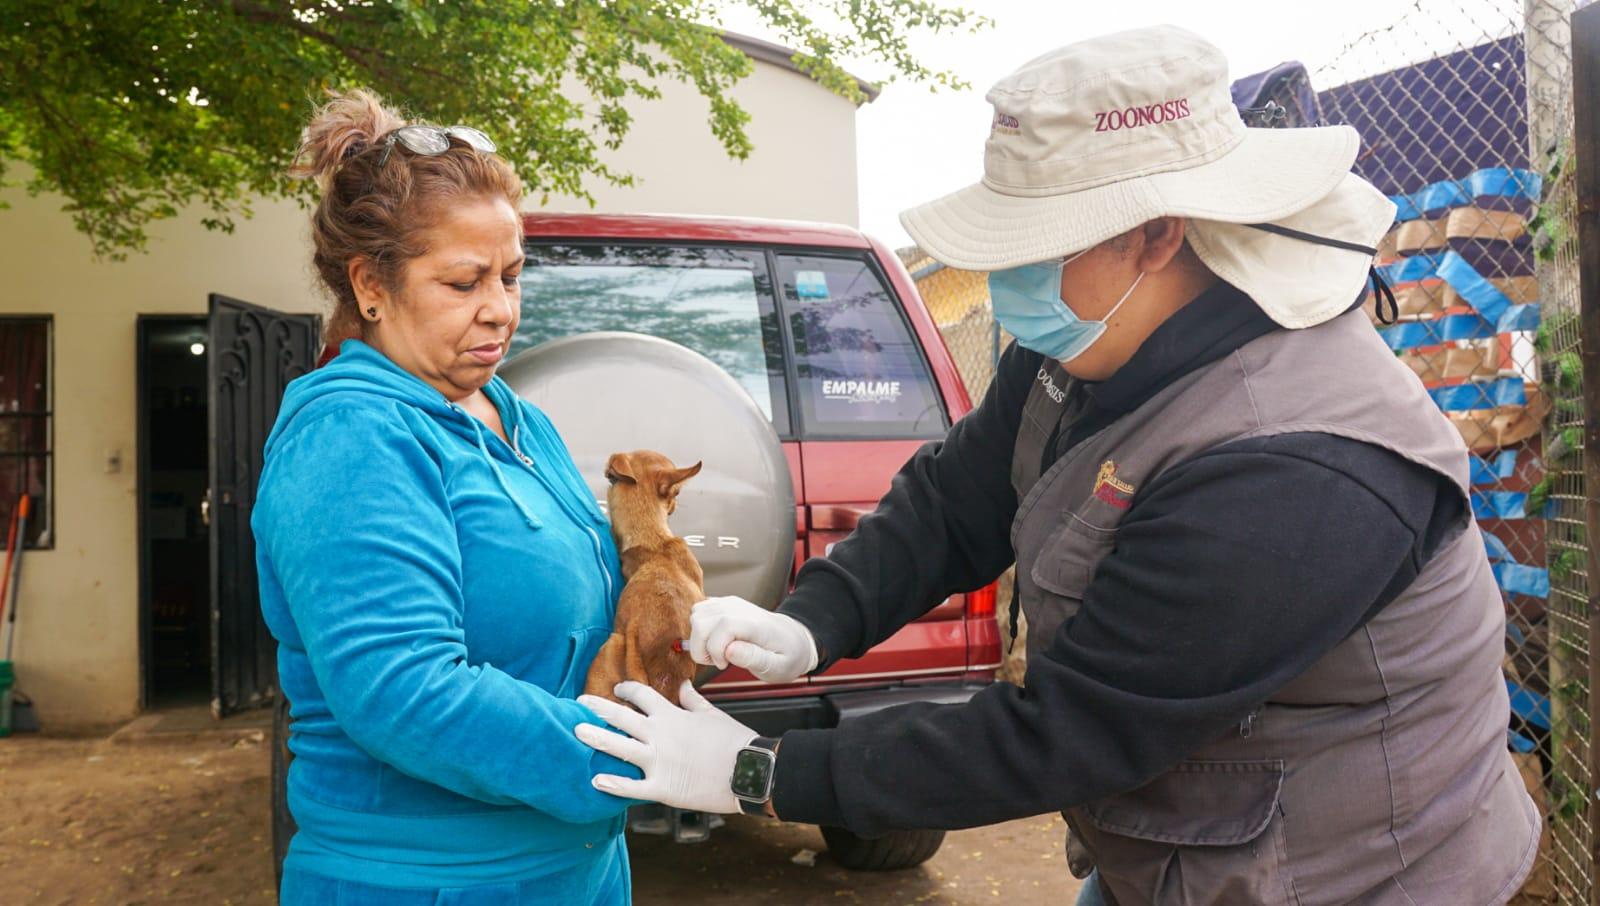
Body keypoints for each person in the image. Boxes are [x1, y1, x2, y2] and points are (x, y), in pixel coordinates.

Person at [574, 25, 1540, 905]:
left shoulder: (1297, 466)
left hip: (1345, 875)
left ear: (1158, 235)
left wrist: (763, 773)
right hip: (1174, 850)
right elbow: (955, 500)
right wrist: (811, 623)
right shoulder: (1082, 337)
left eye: (1036, 247)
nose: (1010, 281)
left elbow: (1070, 730)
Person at [254, 90, 639, 905]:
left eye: (511, 274)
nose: (500, 309)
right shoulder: (351, 438)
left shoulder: (515, 415)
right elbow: (402, 689)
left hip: (576, 868)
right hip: (431, 882)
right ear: (369, 285)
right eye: (464, 282)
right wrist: (631, 756)